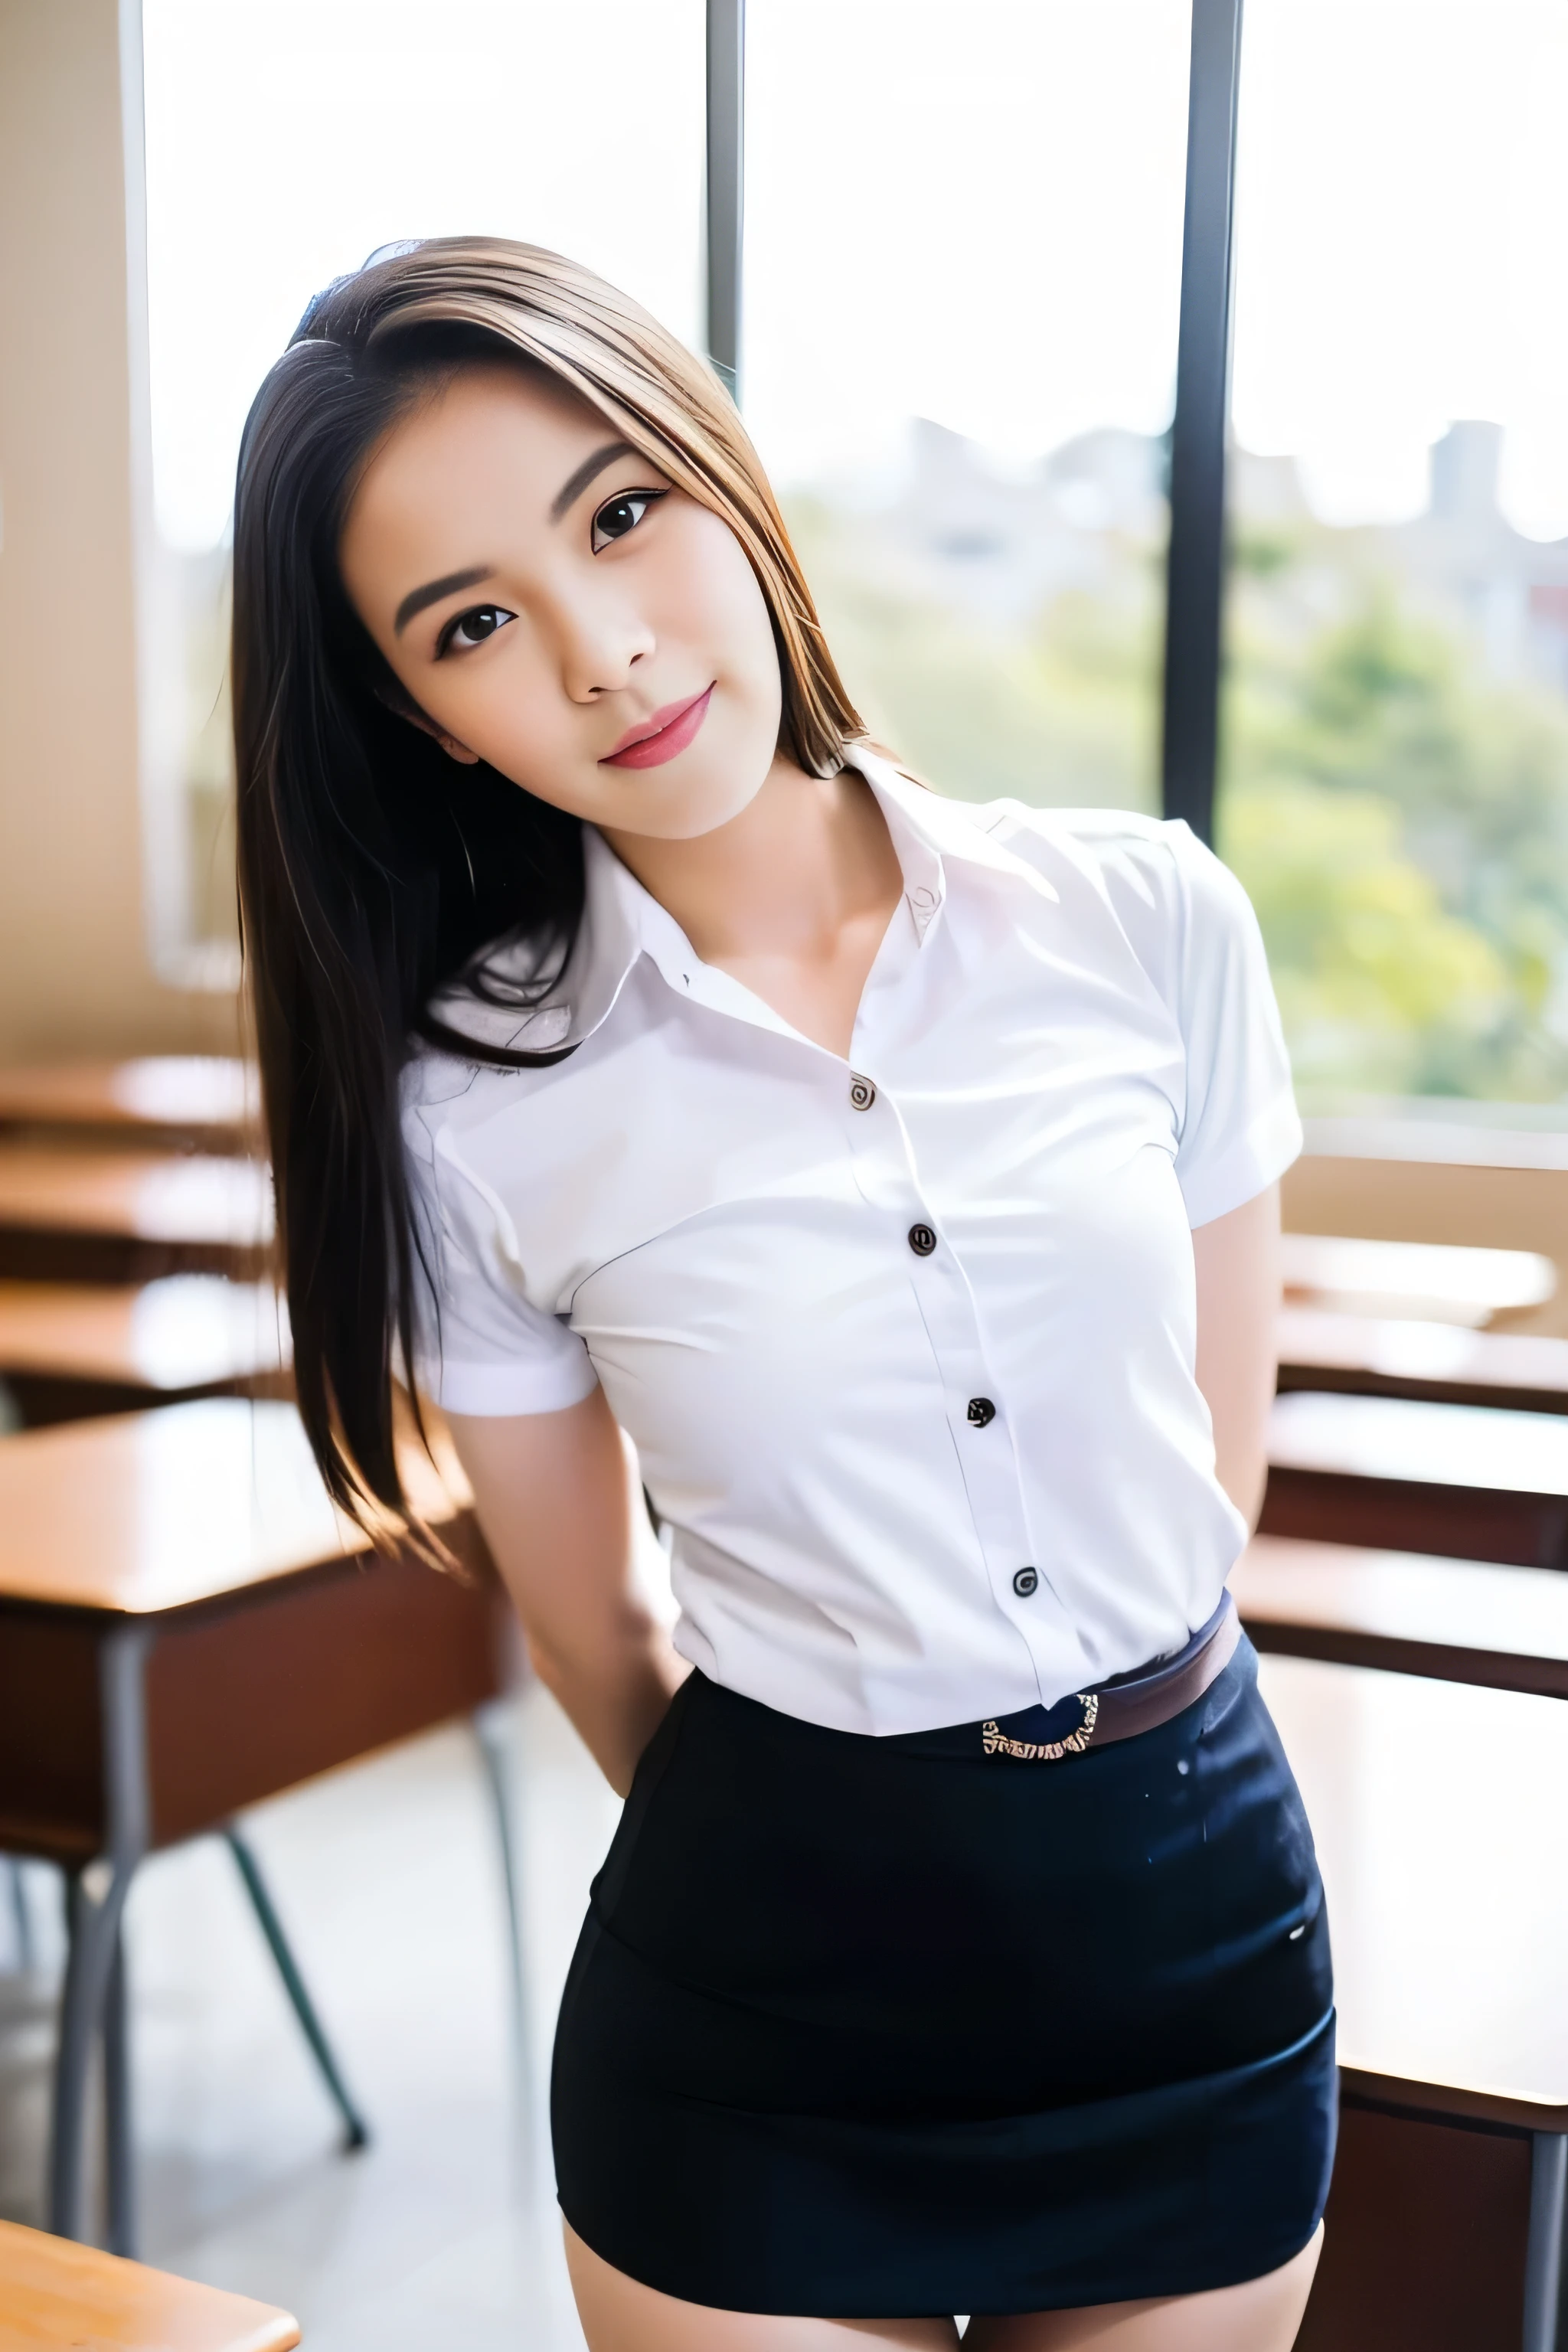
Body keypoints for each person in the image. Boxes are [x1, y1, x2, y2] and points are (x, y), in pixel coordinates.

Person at [232, 237, 1334, 2351]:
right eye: (477, 625)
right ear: (422, 718)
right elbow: (589, 1632)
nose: (604, 654)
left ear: (725, 483)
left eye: (621, 514)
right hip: (763, 2002)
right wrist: (833, 1844)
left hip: (1184, 1937)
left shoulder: (1149, 916)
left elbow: (1206, 1492)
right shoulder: (470, 1112)